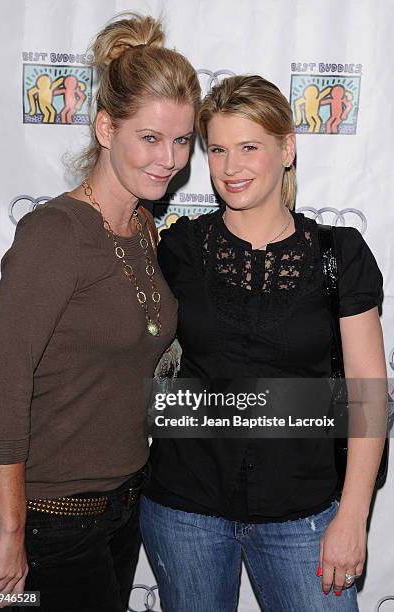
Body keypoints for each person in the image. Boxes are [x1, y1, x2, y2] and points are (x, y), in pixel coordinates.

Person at [0, 13, 200, 612]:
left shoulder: (145, 230)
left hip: (125, 503)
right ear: (106, 128)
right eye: (150, 138)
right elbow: (1, 387)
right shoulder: (55, 234)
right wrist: (12, 532)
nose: (169, 159)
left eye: (182, 140)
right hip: (53, 519)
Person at [140, 75, 386, 611]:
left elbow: (368, 396)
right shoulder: (178, 248)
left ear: (287, 148)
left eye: (249, 147)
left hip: (305, 514)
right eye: (219, 149)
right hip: (186, 510)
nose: (231, 168)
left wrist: (353, 516)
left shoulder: (337, 254)